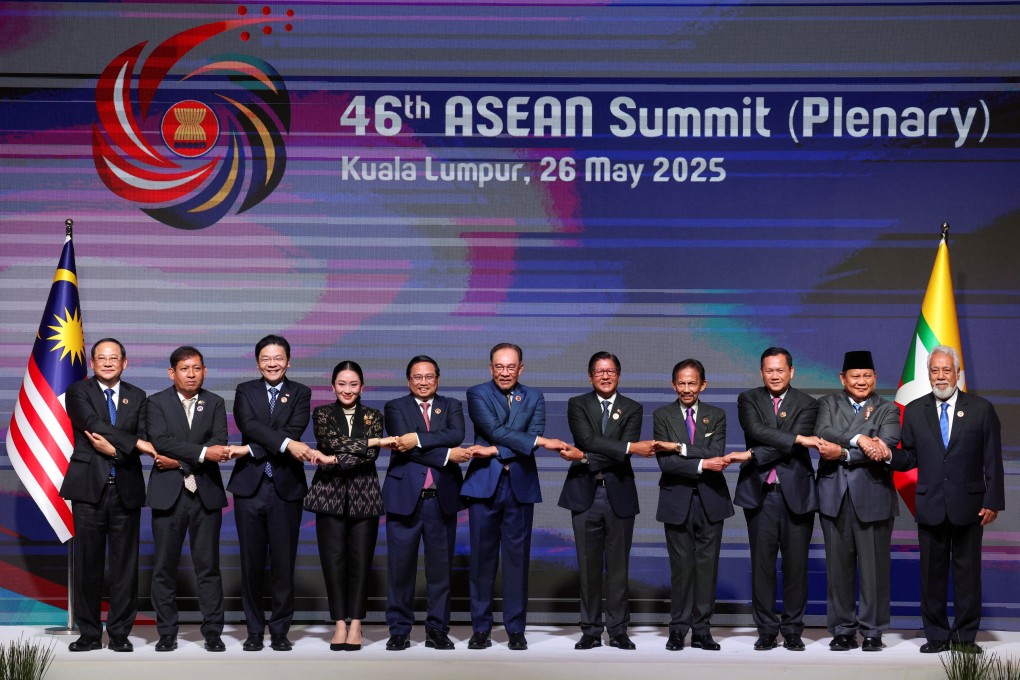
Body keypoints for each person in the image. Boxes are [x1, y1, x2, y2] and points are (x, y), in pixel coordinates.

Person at [887, 345, 1004, 654]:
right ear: (928, 375)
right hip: (930, 504)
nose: (941, 376)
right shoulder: (914, 410)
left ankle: (965, 637)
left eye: (946, 370)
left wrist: (993, 500)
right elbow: (908, 456)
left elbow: (992, 459)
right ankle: (936, 635)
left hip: (970, 505)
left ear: (957, 374)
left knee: (968, 574)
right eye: (935, 371)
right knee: (931, 574)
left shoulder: (981, 409)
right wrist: (887, 454)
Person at [462, 343, 568, 651]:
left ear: (521, 368)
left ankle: (515, 629)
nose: (505, 372)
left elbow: (528, 442)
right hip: (484, 486)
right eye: (499, 366)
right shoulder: (477, 394)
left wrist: (497, 450)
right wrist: (537, 441)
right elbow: (494, 429)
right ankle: (480, 628)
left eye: (511, 367)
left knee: (517, 561)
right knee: (482, 561)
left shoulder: (534, 396)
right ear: (490, 368)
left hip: (519, 486)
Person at [60, 338, 154, 652]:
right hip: (89, 489)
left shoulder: (137, 396)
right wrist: (130, 446)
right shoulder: (78, 392)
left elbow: (143, 436)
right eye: (102, 358)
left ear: (124, 362)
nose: (108, 362)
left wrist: (115, 450)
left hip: (125, 488)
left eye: (114, 357)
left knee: (125, 565)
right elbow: (92, 424)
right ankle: (89, 632)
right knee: (88, 563)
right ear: (93, 362)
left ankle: (118, 633)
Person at [558, 351, 656, 650]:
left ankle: (617, 630)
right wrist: (623, 448)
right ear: (590, 376)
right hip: (585, 493)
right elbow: (588, 440)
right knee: (587, 566)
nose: (605, 375)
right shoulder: (578, 404)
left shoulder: (633, 408)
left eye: (611, 371)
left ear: (619, 375)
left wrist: (587, 457)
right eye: (599, 371)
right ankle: (589, 630)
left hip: (619, 494)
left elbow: (615, 453)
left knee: (618, 566)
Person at [728, 347, 820, 652]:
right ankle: (766, 629)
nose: (775, 375)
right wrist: (794, 438)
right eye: (769, 370)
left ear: (791, 372)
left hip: (796, 494)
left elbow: (793, 445)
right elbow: (755, 429)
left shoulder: (808, 403)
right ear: (761, 372)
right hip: (760, 494)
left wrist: (753, 453)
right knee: (762, 566)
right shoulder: (748, 399)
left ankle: (793, 629)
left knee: (796, 566)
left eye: (780, 370)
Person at [304, 360, 396, 651]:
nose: (347, 389)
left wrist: (334, 459)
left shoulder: (373, 415)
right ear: (332, 386)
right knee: (333, 562)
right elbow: (328, 441)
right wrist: (373, 442)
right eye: (341, 384)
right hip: (328, 495)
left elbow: (368, 457)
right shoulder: (321, 413)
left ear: (362, 387)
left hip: (364, 495)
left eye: (353, 384)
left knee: (360, 562)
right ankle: (339, 624)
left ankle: (356, 623)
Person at [228, 334, 313, 652]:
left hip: (286, 488)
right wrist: (286, 445)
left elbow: (295, 430)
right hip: (249, 488)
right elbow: (247, 424)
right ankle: (252, 630)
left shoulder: (301, 393)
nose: (272, 363)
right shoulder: (245, 390)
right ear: (257, 362)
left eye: (278, 358)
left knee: (283, 562)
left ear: (288, 361)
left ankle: (279, 630)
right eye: (266, 358)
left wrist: (251, 449)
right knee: (250, 563)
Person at [382, 355, 472, 651]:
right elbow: (402, 448)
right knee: (400, 569)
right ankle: (399, 630)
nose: (423, 382)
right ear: (409, 381)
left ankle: (437, 630)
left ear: (438, 379)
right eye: (417, 377)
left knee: (440, 570)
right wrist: (447, 454)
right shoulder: (395, 407)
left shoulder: (452, 405)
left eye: (429, 376)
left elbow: (457, 434)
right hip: (404, 499)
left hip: (441, 499)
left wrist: (417, 439)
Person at [145, 346, 231, 652]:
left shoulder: (216, 402)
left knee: (208, 567)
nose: (191, 374)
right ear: (173, 373)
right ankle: (167, 632)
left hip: (205, 494)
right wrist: (202, 454)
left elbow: (219, 444)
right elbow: (161, 441)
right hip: (168, 495)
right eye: (184, 369)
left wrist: (178, 462)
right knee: (164, 567)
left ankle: (212, 631)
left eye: (197, 368)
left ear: (204, 371)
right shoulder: (155, 403)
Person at [814, 350, 901, 652]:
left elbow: (886, 445)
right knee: (838, 567)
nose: (861, 381)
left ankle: (873, 630)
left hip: (874, 495)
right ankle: (842, 629)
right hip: (833, 496)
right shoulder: (827, 403)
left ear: (875, 378)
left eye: (867, 376)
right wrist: (861, 439)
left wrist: (842, 452)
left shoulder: (888, 409)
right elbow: (822, 432)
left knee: (875, 568)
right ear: (843, 378)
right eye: (855, 376)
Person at [652, 358, 734, 651]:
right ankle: (677, 630)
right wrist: (700, 462)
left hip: (712, 501)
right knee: (681, 568)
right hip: (676, 500)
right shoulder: (662, 415)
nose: (687, 389)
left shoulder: (717, 414)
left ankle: (702, 631)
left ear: (703, 385)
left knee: (706, 568)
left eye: (692, 383)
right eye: (682, 383)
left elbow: (718, 453)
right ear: (674, 385)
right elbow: (666, 463)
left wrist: (680, 447)